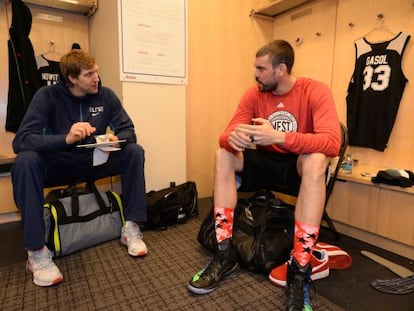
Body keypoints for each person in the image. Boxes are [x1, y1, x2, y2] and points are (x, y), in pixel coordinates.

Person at [187, 40, 341, 310]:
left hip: (295, 165)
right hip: (264, 163)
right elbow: (227, 133)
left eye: (261, 68)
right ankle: (225, 255)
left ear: (281, 69)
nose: (255, 74)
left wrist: (280, 136)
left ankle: (299, 271)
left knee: (317, 161)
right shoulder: (253, 94)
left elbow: (332, 143)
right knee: (222, 154)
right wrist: (231, 139)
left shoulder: (314, 91)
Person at [11, 50, 148, 287]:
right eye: (89, 74)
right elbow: (21, 140)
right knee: (25, 161)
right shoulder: (47, 96)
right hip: (60, 164)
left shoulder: (106, 96)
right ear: (72, 78)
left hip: (95, 162)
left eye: (96, 71)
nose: (96, 78)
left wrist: (116, 139)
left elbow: (129, 132)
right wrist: (65, 138)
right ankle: (37, 253)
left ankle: (132, 227)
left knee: (135, 151)